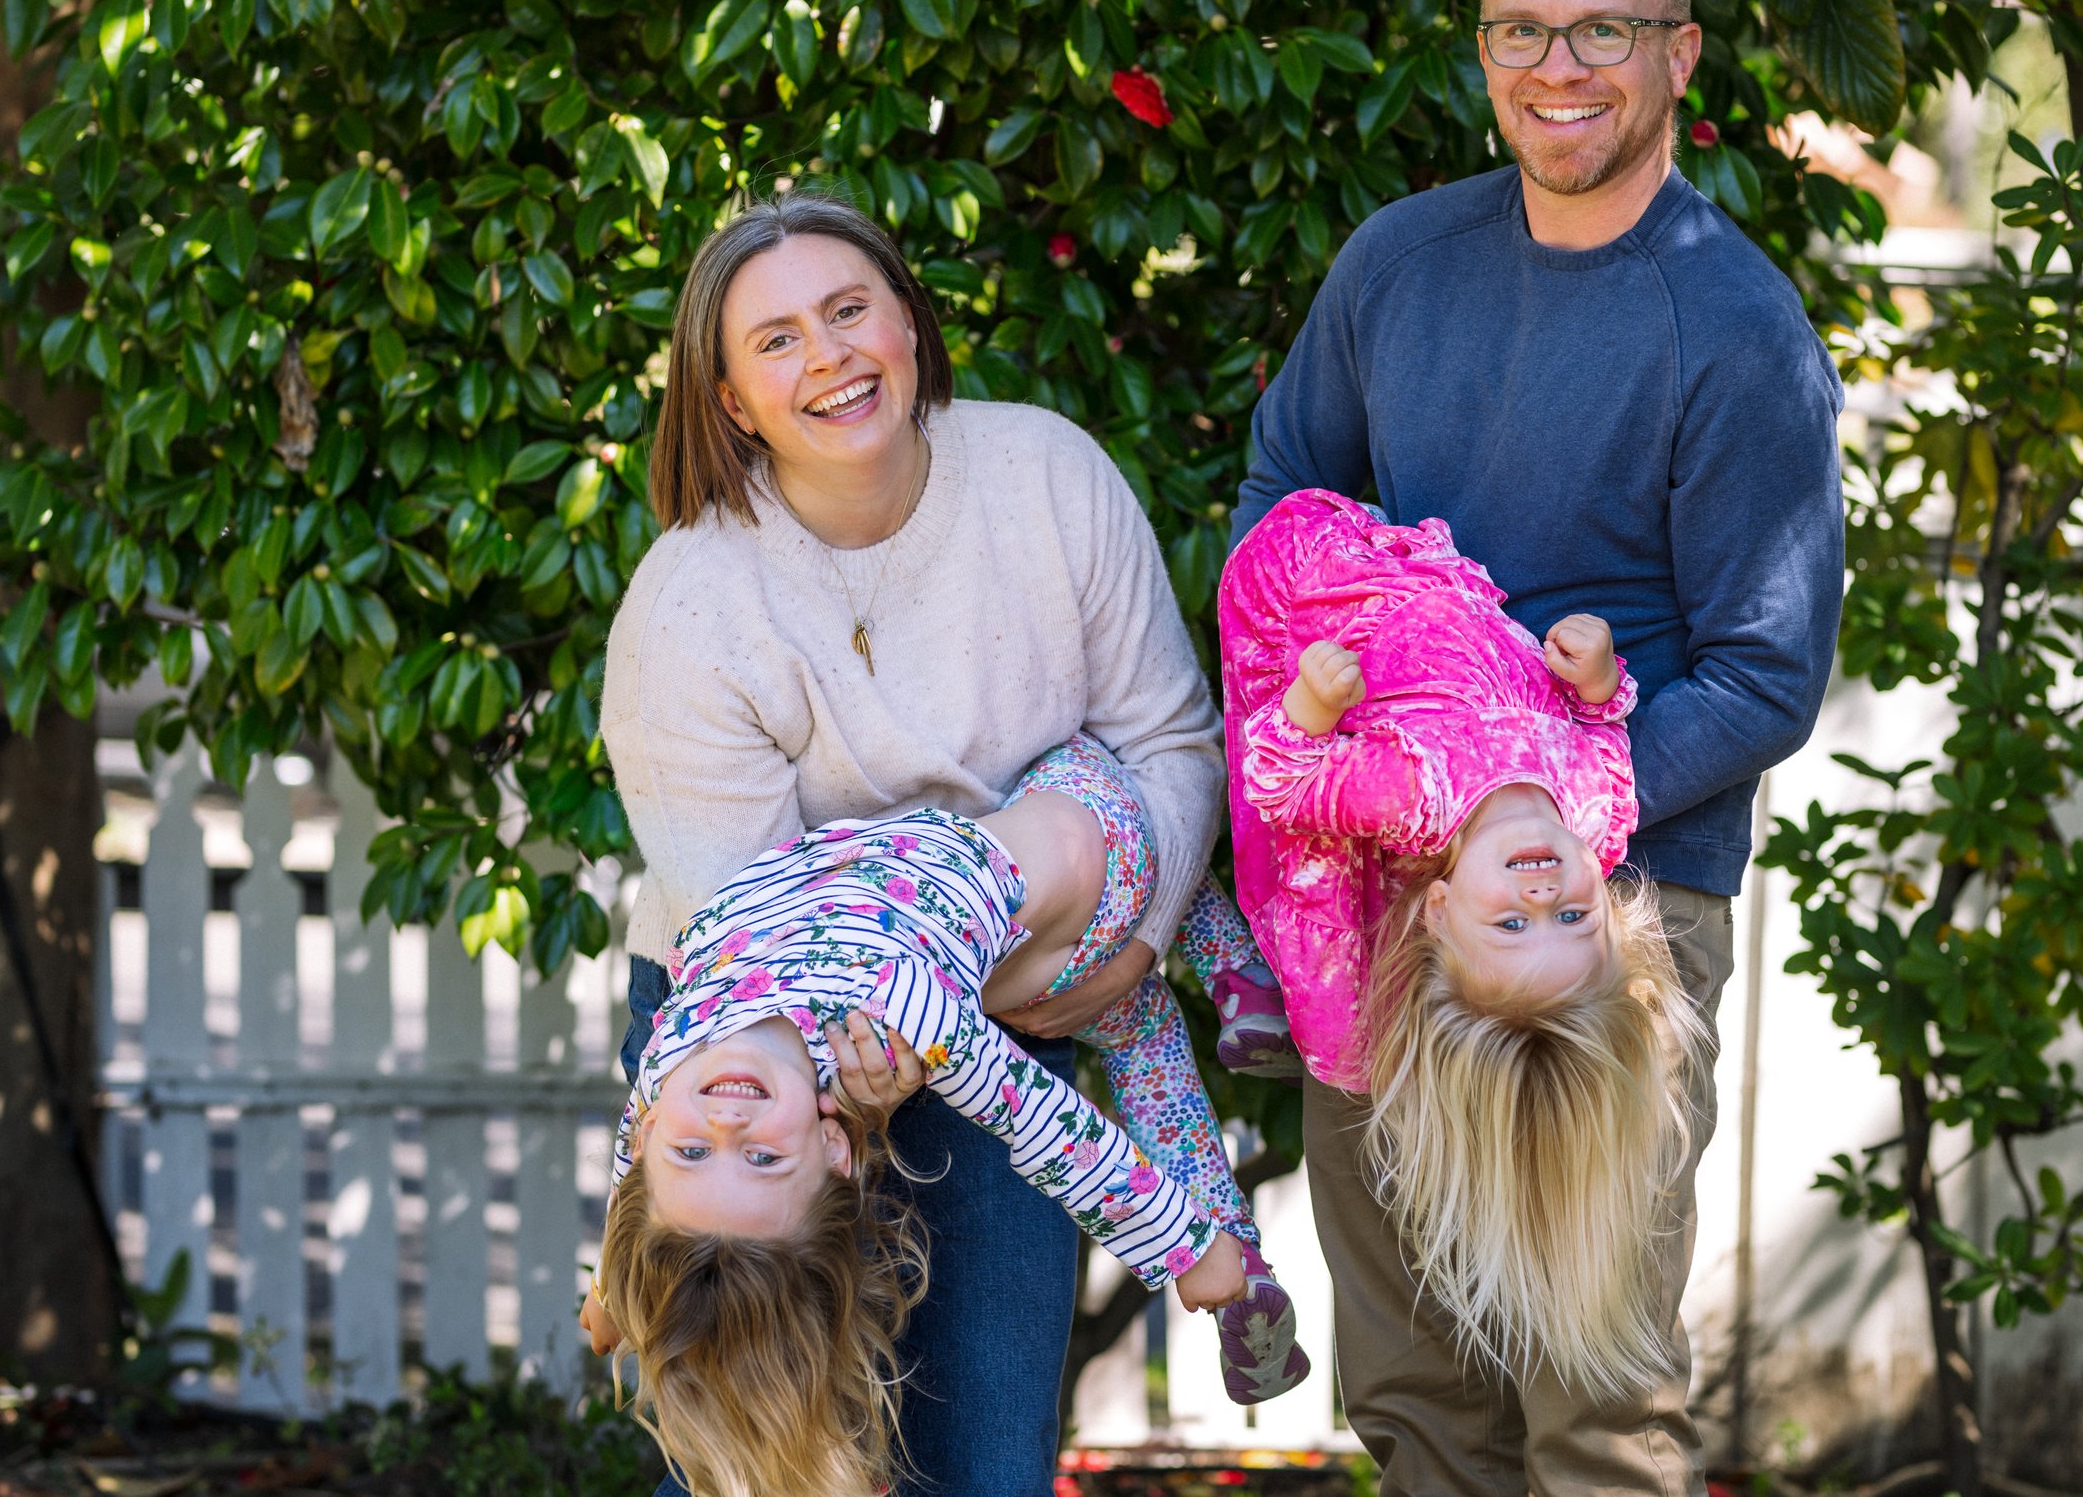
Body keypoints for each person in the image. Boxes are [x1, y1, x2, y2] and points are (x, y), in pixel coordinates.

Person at [1229, 0, 1847, 1497]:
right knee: (1418, 1387)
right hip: (1383, 894)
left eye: (1604, 29)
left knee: (1593, 1394)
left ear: (1680, 53)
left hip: (1615, 910)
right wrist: (1344, 740)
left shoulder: (1734, 328)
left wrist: (1554, 805)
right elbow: (1284, 503)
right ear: (1484, 49)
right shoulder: (1398, 265)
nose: (1558, 65)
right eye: (1522, 29)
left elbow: (1768, 674)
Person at [602, 191, 1262, 1495]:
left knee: (977, 1453)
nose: (831, 356)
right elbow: (754, 946)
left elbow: (1173, 744)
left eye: (851, 310)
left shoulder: (1045, 479)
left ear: (908, 319)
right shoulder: (692, 607)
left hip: (1026, 981)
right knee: (750, 1432)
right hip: (784, 1031)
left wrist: (1130, 946)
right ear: (729, 397)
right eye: (777, 339)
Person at [584, 739, 1307, 1497]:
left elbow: (629, 1179)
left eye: (693, 1153)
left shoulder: (673, 1054)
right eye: (763, 1161)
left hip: (993, 904)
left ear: (656, 1129)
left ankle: (1226, 959)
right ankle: (1232, 1241)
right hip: (1096, 855)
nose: (726, 1127)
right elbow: (1047, 1124)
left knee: (1140, 1023)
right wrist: (1183, 1250)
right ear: (833, 1147)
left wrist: (611, 1288)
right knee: (1136, 1002)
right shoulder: (893, 1009)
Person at [1219, 487, 1709, 1403]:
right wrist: (1603, 686)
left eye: (1511, 924)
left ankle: (1265, 977)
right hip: (1447, 588)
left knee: (1317, 939)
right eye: (1574, 919)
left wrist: (1313, 708)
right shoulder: (1597, 819)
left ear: (1439, 910)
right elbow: (1603, 736)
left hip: (1315, 589)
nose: (1545, 893)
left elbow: (1279, 784)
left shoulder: (1412, 796)